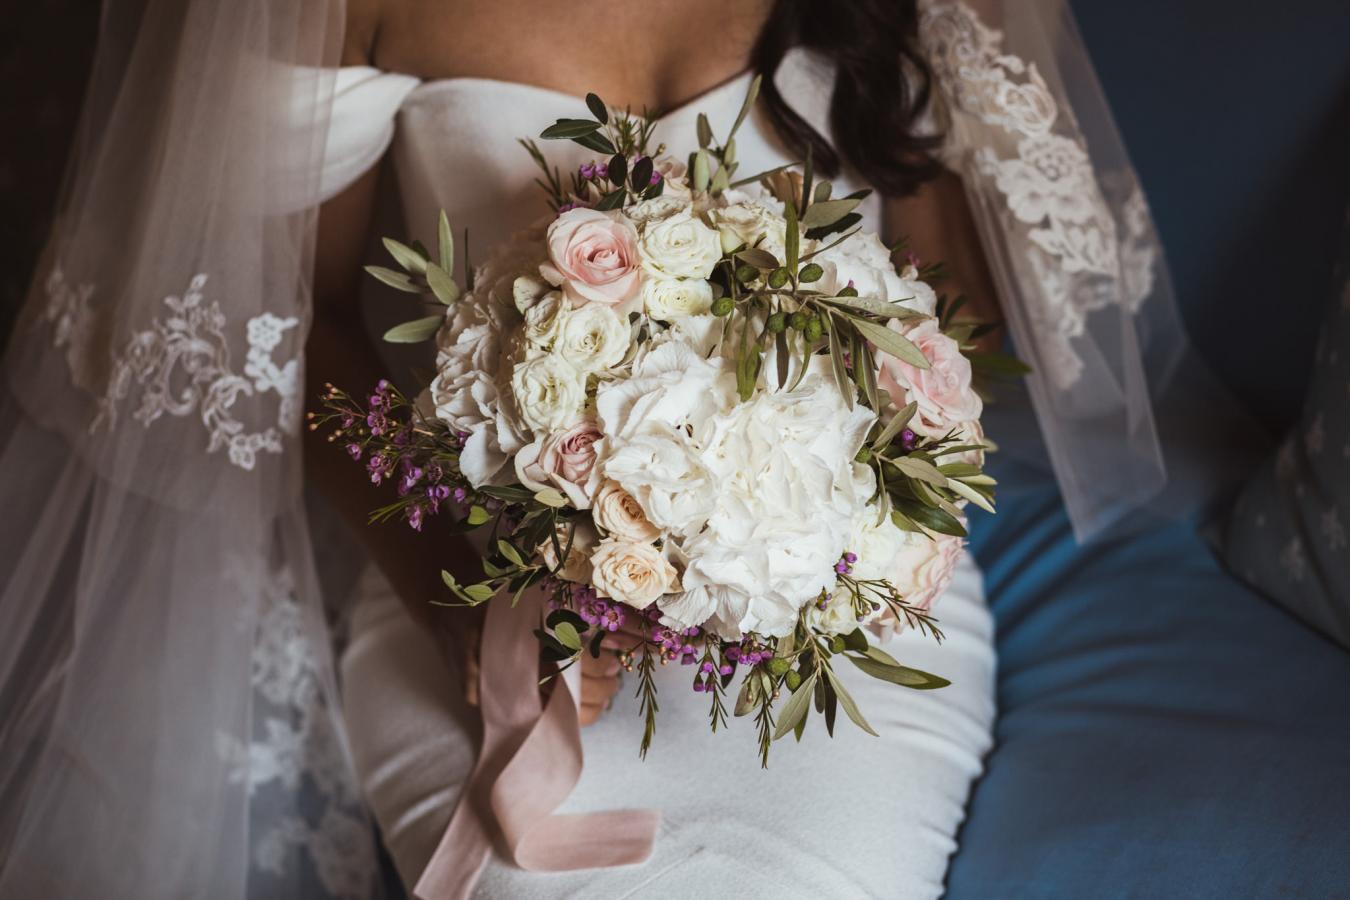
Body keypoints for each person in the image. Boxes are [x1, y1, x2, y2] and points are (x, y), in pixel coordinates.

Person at [0, 1, 1238, 897]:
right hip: (487, 576)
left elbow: (950, 316)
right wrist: (458, 602)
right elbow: (287, 316)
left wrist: (822, 447)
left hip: (831, 594)